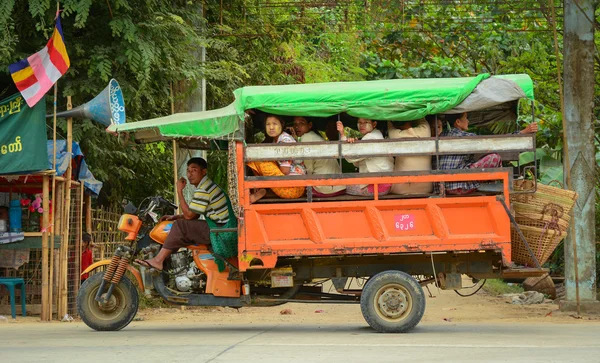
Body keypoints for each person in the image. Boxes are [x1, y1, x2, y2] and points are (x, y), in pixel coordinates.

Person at [135, 157, 229, 271]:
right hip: (219, 227)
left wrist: (179, 191)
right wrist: (175, 216)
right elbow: (195, 214)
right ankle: (168, 267)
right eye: (188, 171)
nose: (190, 174)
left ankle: (158, 260)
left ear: (204, 171)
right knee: (180, 224)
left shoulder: (203, 189)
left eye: (194, 170)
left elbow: (189, 216)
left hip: (219, 230)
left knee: (180, 226)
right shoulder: (206, 185)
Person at [438, 112, 538, 195]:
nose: (468, 121)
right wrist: (524, 131)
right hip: (460, 185)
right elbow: (498, 142)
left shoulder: (441, 136)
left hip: (442, 185)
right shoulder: (467, 137)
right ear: (458, 122)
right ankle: (493, 187)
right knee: (495, 157)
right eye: (466, 118)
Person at [247, 114, 307, 203]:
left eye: (275, 124)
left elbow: (285, 170)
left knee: (257, 159)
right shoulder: (277, 139)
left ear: (281, 125)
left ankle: (262, 189)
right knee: (259, 157)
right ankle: (262, 189)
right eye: (268, 124)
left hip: (292, 188)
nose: (271, 127)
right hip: (292, 185)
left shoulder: (284, 141)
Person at [336, 118, 394, 196]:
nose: (361, 125)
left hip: (376, 187)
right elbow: (357, 163)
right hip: (384, 184)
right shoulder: (376, 134)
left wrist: (343, 135)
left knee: (339, 186)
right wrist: (354, 146)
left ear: (374, 124)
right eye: (359, 122)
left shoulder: (370, 138)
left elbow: (351, 157)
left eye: (365, 122)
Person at [293, 116, 346, 197]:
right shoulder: (315, 136)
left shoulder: (307, 137)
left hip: (324, 188)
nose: (297, 127)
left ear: (310, 125)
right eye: (295, 124)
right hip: (339, 186)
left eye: (301, 123)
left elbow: (308, 169)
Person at [387, 118, 433, 195]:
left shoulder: (395, 135)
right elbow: (423, 118)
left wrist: (389, 120)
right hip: (426, 188)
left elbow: (390, 127)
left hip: (399, 189)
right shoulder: (425, 131)